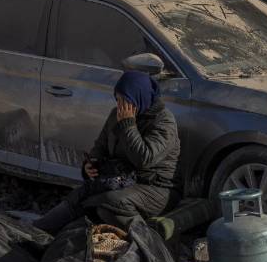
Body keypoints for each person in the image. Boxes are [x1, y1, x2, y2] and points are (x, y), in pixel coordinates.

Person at [35, 70, 180, 232]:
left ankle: (145, 236)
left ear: (139, 98)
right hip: (122, 180)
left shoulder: (163, 121)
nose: (121, 106)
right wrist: (90, 166)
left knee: (110, 203)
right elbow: (100, 147)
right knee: (80, 194)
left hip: (155, 188)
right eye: (118, 100)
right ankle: (38, 231)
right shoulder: (115, 114)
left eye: (126, 101)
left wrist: (128, 125)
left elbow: (143, 159)